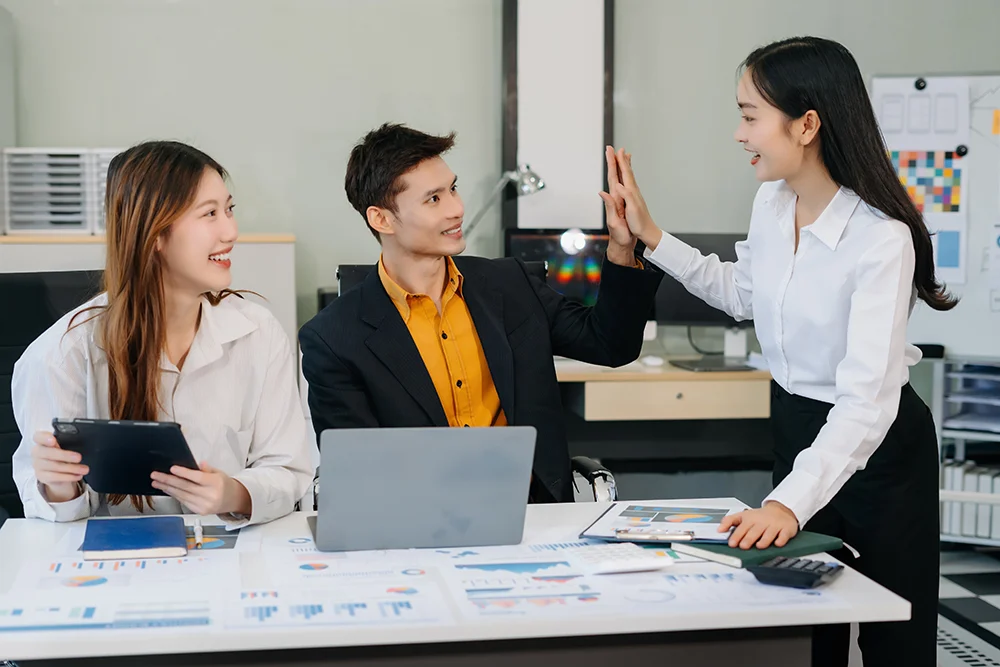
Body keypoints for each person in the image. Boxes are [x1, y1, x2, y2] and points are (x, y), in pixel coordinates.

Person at [602, 36, 947, 666]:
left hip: (879, 450)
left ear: (807, 124)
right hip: (796, 424)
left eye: (749, 115)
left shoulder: (881, 240)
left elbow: (866, 401)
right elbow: (743, 294)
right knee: (802, 620)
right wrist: (650, 234)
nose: (740, 133)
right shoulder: (772, 201)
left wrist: (789, 501)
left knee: (893, 637)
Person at [299, 123, 662, 503]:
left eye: (452, 189)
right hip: (418, 522)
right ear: (382, 219)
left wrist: (622, 250)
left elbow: (611, 344)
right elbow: (360, 474)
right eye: (433, 200)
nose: (457, 209)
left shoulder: (509, 284)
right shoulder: (332, 338)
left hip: (533, 515)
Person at [11, 140, 315, 526]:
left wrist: (231, 492)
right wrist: (58, 485)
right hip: (116, 569)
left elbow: (288, 471)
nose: (231, 231)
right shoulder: (60, 355)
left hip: (227, 560)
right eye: (209, 214)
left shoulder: (259, 333)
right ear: (154, 234)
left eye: (229, 209)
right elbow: (54, 517)